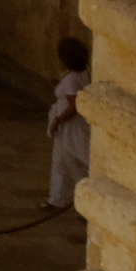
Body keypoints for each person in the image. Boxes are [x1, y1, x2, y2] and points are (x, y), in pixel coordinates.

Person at [44, 36, 92, 212]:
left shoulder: (71, 79)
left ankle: (88, 200)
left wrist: (58, 120)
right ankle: (57, 197)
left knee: (77, 159)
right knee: (62, 161)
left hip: (70, 126)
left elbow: (74, 105)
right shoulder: (80, 75)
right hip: (70, 126)